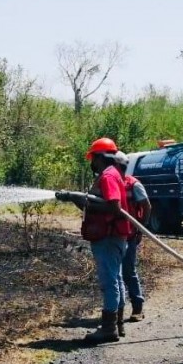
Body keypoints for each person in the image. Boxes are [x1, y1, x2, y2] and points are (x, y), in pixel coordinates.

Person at [73, 138, 131, 344]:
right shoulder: (113, 174)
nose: (92, 163)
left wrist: (84, 203)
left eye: (94, 158)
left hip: (108, 236)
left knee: (110, 282)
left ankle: (108, 328)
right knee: (116, 279)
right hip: (114, 235)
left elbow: (113, 207)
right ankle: (118, 323)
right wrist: (80, 201)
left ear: (100, 157)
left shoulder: (107, 176)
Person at [113, 151, 152, 328]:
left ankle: (138, 307)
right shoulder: (109, 183)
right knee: (116, 274)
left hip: (129, 235)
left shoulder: (133, 184)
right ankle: (115, 311)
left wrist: (140, 229)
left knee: (128, 271)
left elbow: (146, 206)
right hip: (114, 235)